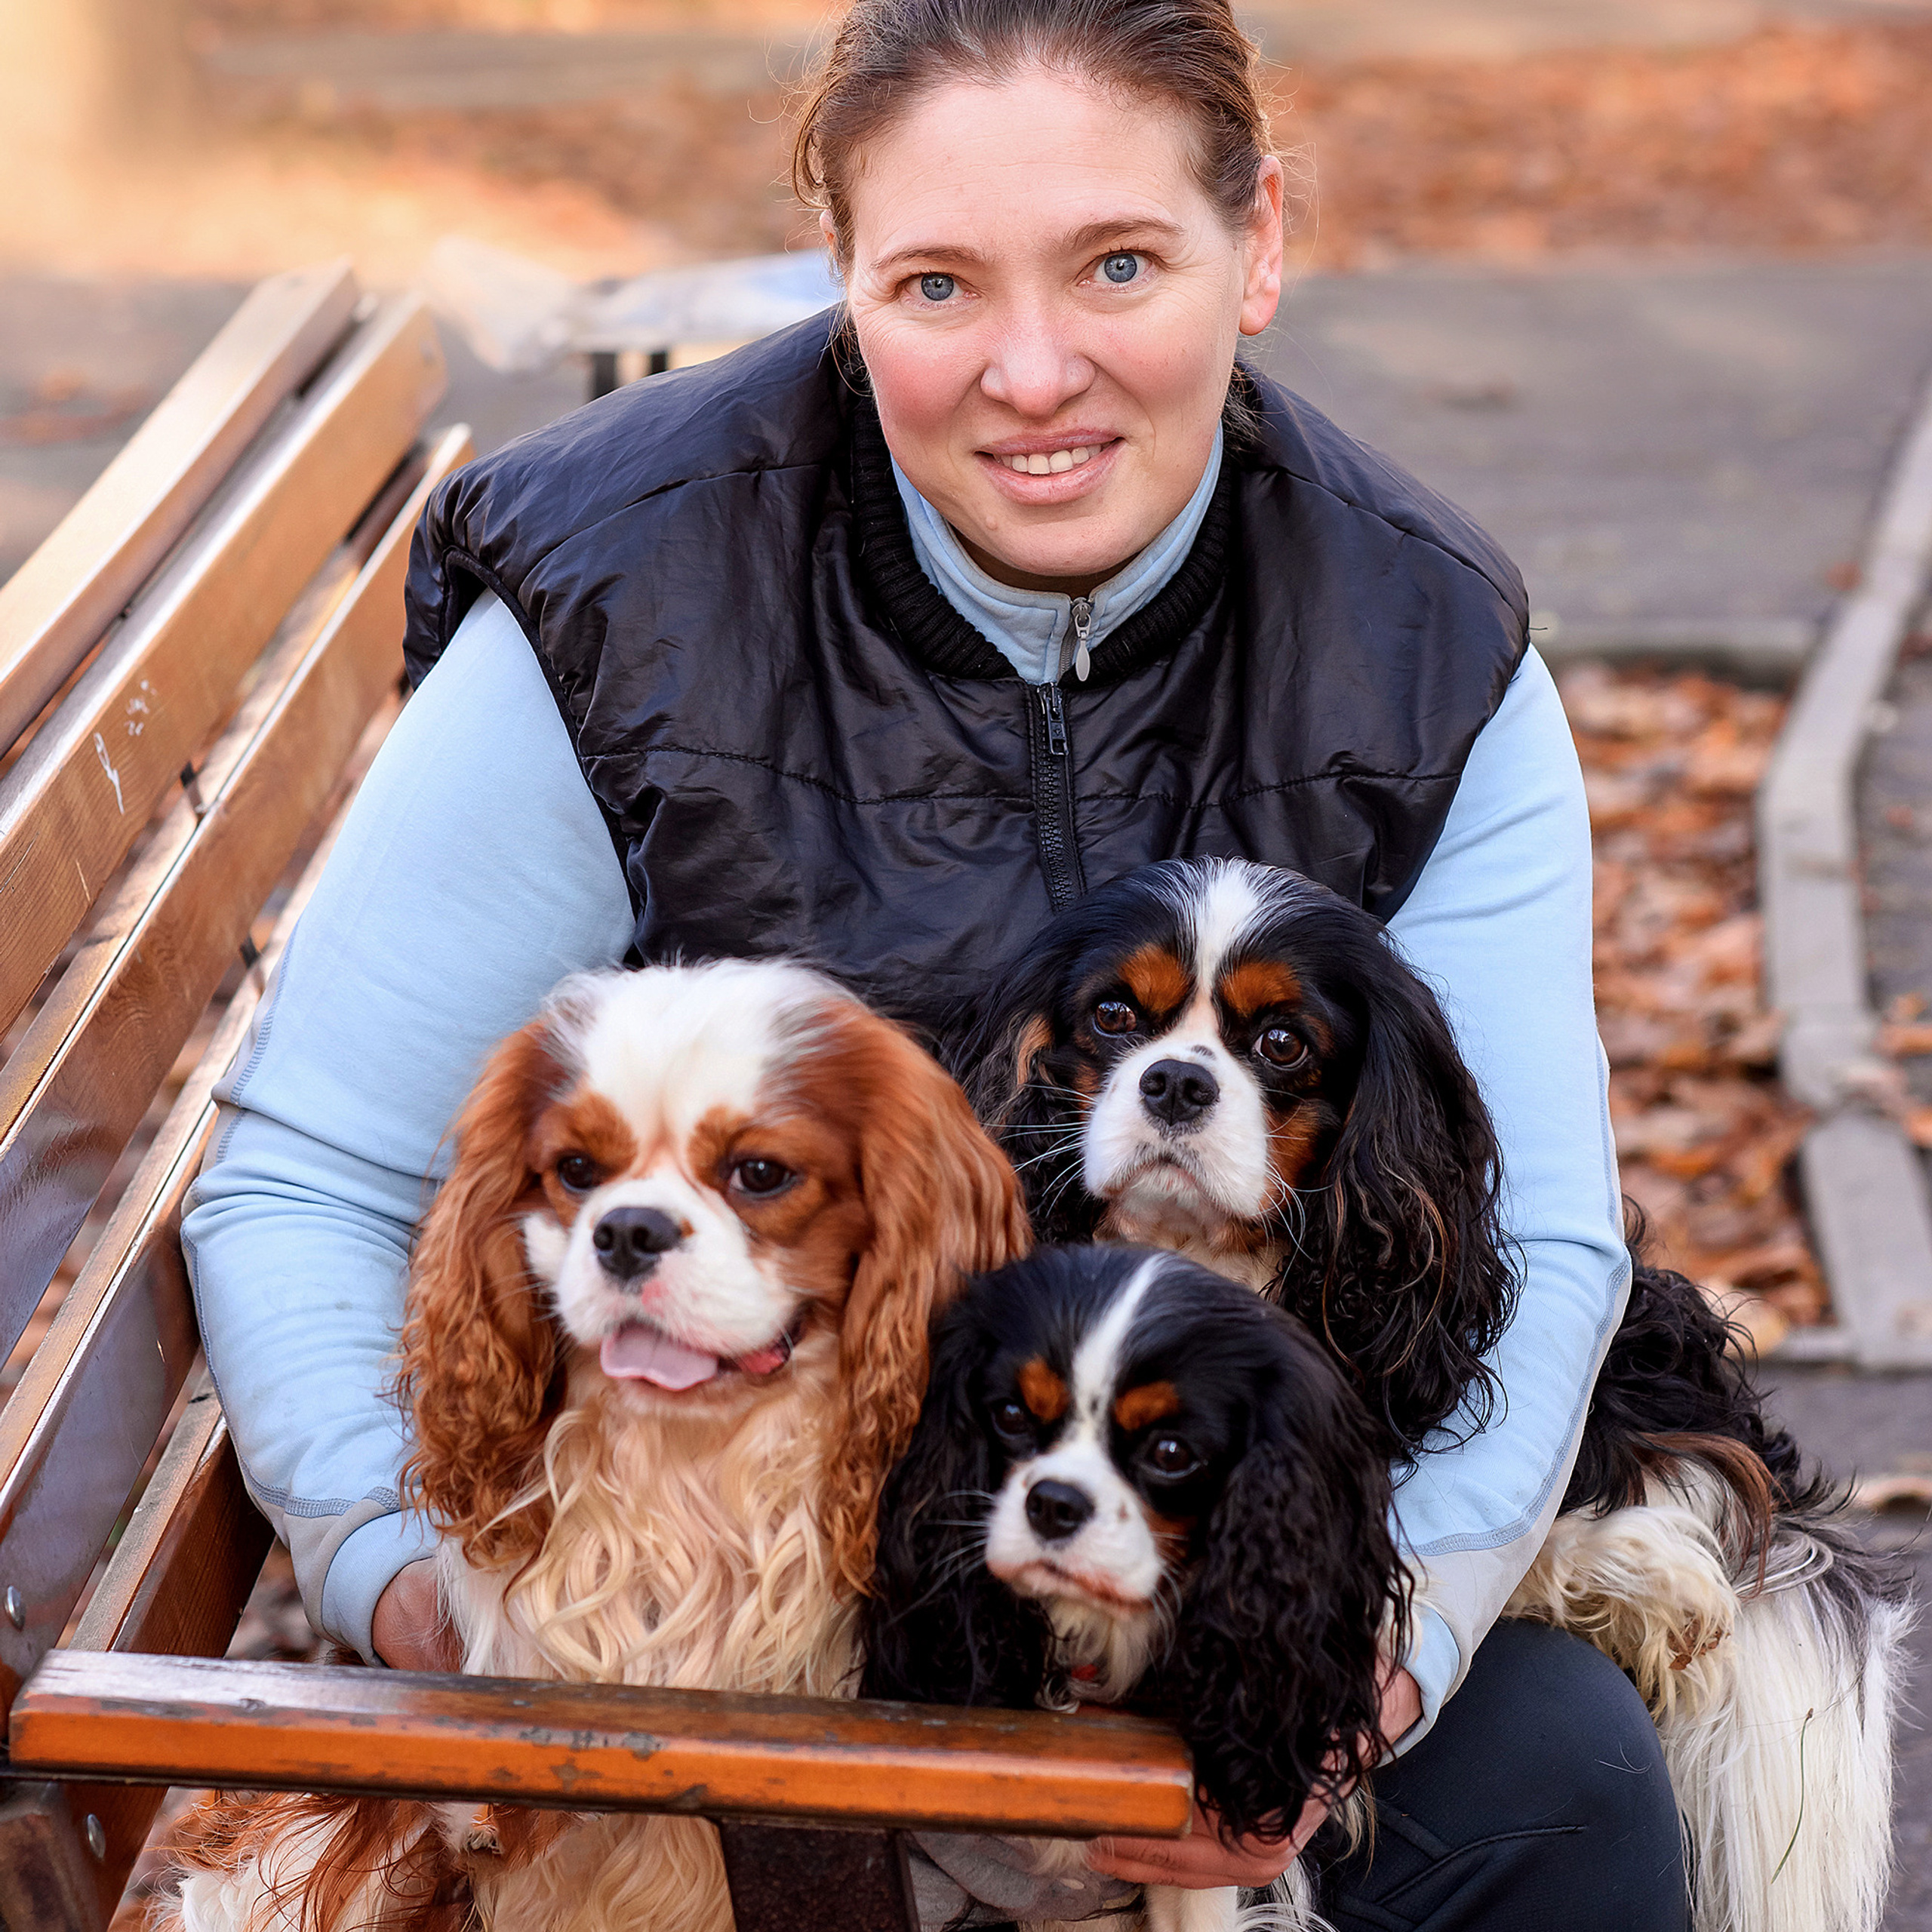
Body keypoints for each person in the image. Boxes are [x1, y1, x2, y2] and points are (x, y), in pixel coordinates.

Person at [182, 2, 1688, 1925]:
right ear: (838, 278)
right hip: (745, 1626)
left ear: (1259, 245)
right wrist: (426, 1592)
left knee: (1558, 1782)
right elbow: (313, 1173)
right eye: (936, 284)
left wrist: (1358, 1692)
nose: (1030, 372)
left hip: (1178, 1572)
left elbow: (1540, 1229)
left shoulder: (1425, 639)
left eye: (1117, 264)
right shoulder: (615, 591)